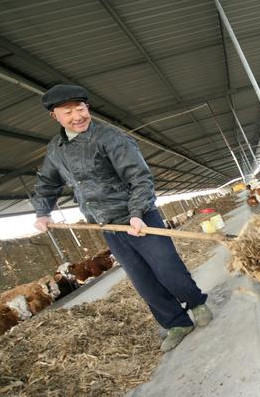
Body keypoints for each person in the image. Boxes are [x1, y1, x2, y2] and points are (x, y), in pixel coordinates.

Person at [31, 84, 213, 352]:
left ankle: (196, 304)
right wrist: (42, 211)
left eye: (80, 109)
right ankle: (177, 322)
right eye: (68, 112)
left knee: (167, 268)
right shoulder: (56, 149)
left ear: (87, 108)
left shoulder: (109, 137)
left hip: (138, 217)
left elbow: (139, 177)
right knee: (142, 279)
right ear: (54, 116)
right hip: (107, 224)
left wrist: (138, 213)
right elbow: (47, 182)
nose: (77, 117)